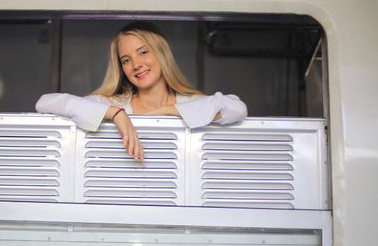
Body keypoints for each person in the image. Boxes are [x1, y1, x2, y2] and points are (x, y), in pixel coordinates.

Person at [36, 21, 247, 160]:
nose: (136, 65)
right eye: (126, 60)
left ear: (161, 53)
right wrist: (116, 114)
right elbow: (45, 103)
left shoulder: (190, 102)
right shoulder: (113, 104)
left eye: (143, 52)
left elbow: (237, 109)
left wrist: (168, 111)